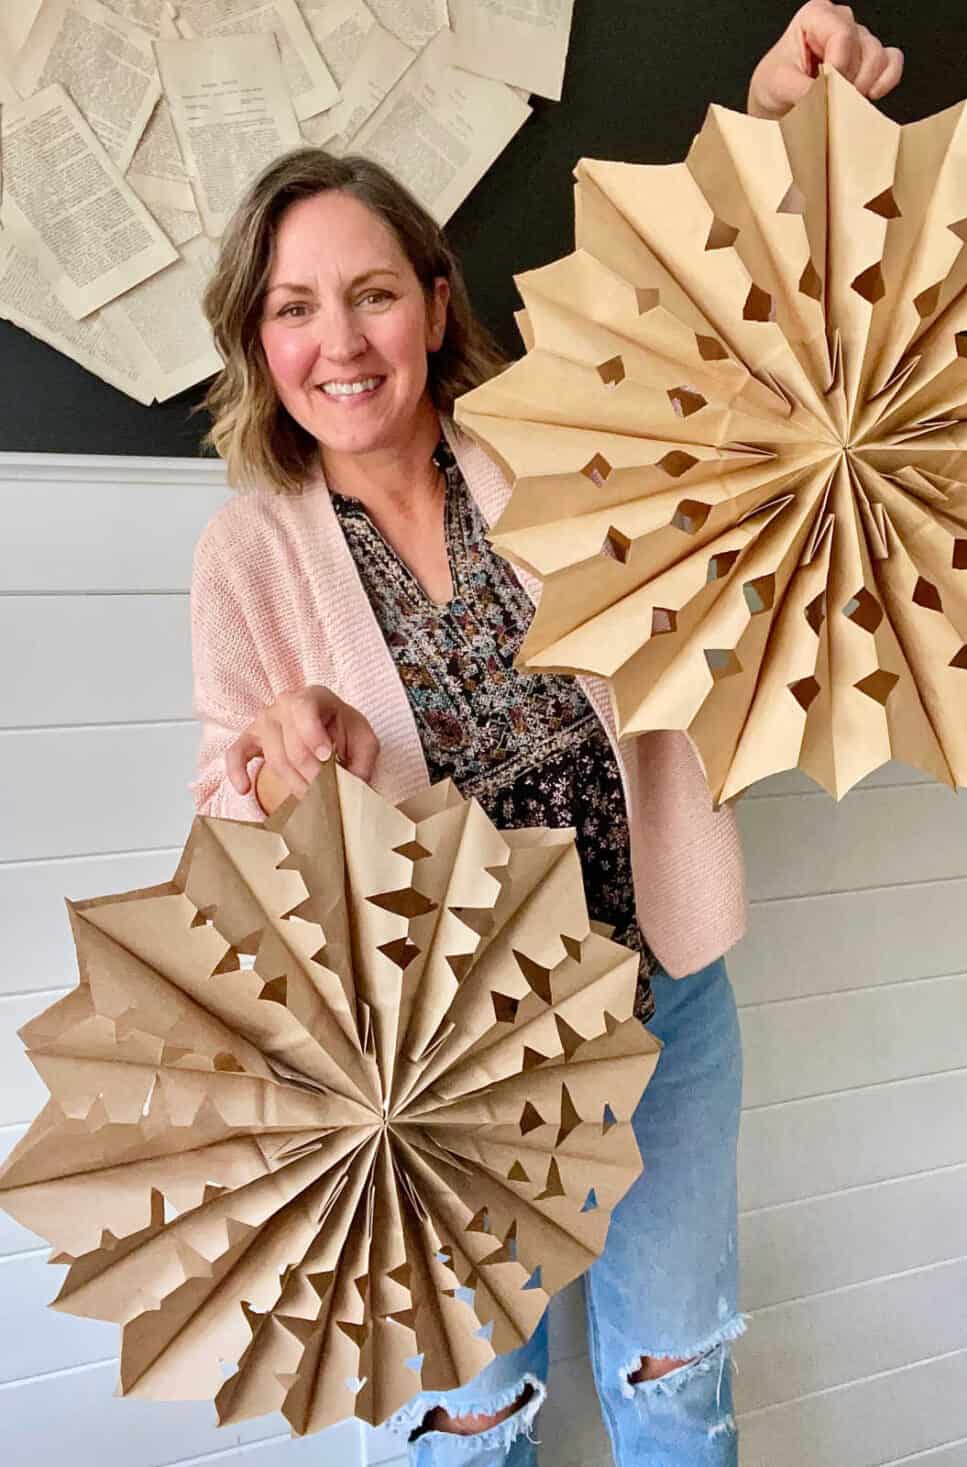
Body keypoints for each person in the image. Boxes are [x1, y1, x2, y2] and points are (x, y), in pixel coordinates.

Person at [190, 5, 904, 1461]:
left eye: (373, 293)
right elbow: (233, 833)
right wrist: (285, 755)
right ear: (259, 346)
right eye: (295, 308)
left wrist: (775, 125)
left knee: (675, 1384)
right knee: (468, 1419)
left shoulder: (540, 437)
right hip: (452, 1070)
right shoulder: (246, 556)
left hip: (660, 1003)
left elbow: (705, 332)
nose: (340, 341)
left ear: (436, 304)